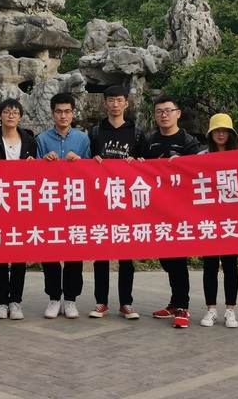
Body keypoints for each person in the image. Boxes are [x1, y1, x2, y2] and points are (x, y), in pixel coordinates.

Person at [88, 85, 147, 320]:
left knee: (126, 255)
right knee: (101, 254)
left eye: (119, 100)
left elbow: (147, 165)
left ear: (126, 104)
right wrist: (92, 161)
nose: (115, 104)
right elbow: (85, 164)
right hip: (101, 201)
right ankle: (101, 302)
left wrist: (138, 162)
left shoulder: (137, 133)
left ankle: (126, 303)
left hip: (127, 202)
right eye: (111, 100)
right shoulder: (95, 132)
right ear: (104, 104)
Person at [145, 96, 200, 328]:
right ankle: (175, 301)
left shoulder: (189, 142)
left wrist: (184, 163)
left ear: (178, 113)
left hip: (180, 212)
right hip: (158, 211)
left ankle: (182, 306)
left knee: (178, 259)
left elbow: (197, 173)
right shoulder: (151, 141)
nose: (164, 115)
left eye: (168, 111)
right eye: (159, 112)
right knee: (166, 259)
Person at [0, 99, 37, 320]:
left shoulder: (30, 141)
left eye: (15, 112)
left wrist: (34, 164)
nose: (11, 116)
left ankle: (16, 301)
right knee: (0, 255)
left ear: (20, 117)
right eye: (6, 112)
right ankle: (2, 300)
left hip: (22, 205)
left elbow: (39, 172)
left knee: (19, 255)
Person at [36, 92, 91, 319]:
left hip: (74, 203)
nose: (63, 116)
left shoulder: (82, 139)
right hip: (49, 203)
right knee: (49, 251)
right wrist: (43, 162)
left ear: (73, 113)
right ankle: (53, 297)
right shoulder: (42, 139)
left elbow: (91, 170)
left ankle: (70, 299)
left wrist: (79, 162)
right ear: (52, 114)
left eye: (67, 111)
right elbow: (31, 172)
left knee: (74, 251)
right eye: (59, 111)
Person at [197, 113, 238, 329]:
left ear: (231, 134)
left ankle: (230, 310)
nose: (221, 134)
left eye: (225, 131)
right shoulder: (201, 156)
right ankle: (211, 309)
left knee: (231, 265)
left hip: (232, 220)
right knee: (210, 265)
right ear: (210, 134)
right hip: (209, 219)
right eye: (217, 131)